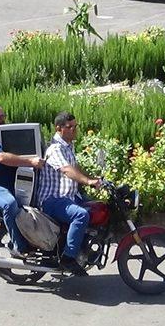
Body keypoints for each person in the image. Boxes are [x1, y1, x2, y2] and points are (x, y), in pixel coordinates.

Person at [0, 105, 44, 257]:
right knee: (9, 204)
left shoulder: (4, 136)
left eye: (3, 116)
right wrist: (31, 162)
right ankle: (19, 247)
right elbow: (1, 157)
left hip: (13, 186)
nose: (2, 119)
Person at [38, 111, 101, 276]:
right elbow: (66, 170)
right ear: (59, 128)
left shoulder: (68, 145)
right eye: (70, 127)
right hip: (52, 200)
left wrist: (93, 179)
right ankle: (68, 258)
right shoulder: (55, 149)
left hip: (69, 197)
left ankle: (84, 248)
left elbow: (75, 168)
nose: (74, 130)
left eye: (75, 126)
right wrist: (87, 182)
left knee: (97, 209)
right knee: (81, 215)